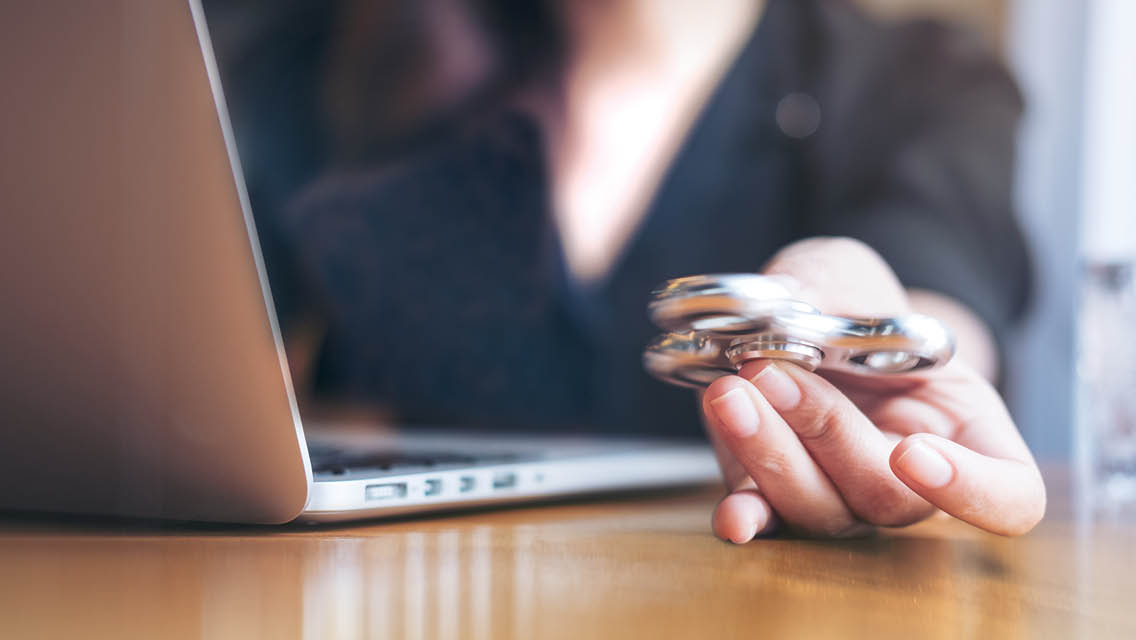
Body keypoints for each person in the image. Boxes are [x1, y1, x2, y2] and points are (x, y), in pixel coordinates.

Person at [209, 0, 1045, 541]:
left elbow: (942, 276)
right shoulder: (319, 51)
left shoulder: (921, 81)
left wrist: (904, 361)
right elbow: (198, 338)